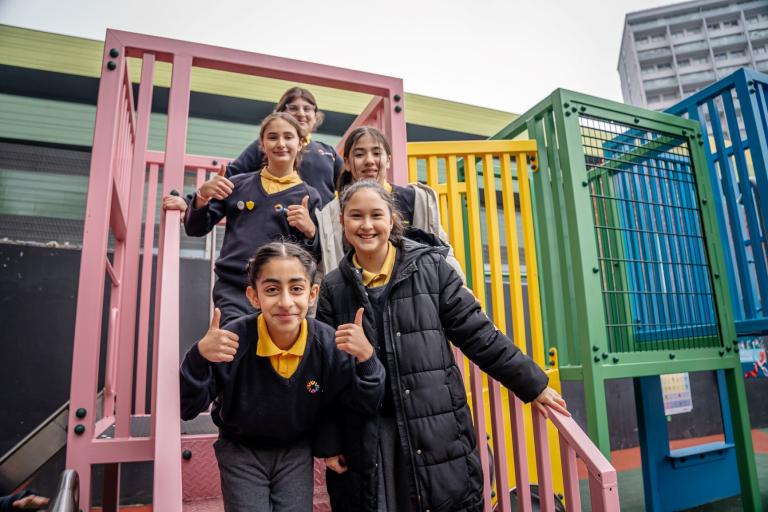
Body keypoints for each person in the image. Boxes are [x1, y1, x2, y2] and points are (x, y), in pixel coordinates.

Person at [315, 180, 567, 512]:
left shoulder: (432, 268)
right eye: (355, 216)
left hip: (432, 426)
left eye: (376, 214)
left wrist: (532, 383)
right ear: (342, 222)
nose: (366, 225)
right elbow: (326, 371)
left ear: (392, 220)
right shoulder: (334, 287)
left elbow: (478, 333)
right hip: (368, 435)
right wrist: (330, 442)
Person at [180, 242, 385, 512]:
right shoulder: (233, 341)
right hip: (241, 449)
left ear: (312, 294)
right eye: (272, 289)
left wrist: (367, 358)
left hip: (296, 450)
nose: (286, 301)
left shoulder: (326, 343)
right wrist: (199, 357)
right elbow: (188, 407)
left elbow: (355, 402)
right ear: (253, 296)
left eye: (296, 289)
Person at [170, 112, 322, 326]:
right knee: (236, 341)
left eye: (288, 137)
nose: (281, 143)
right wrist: (202, 197)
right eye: (272, 137)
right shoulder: (236, 185)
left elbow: (314, 255)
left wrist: (310, 231)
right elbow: (195, 228)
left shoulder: (310, 196)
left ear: (300, 143)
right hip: (234, 287)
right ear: (262, 144)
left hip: (280, 291)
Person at [315, 126, 464, 280]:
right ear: (346, 162)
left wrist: (457, 284)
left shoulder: (414, 199)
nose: (369, 161)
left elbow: (441, 246)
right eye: (359, 154)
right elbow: (326, 263)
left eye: (377, 153)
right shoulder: (332, 212)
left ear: (388, 160)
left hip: (416, 293)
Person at [222, 86, 342, 206]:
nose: (301, 113)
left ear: (315, 117)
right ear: (281, 114)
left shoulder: (329, 152)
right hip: (279, 219)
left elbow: (349, 186)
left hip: (323, 222)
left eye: (307, 109)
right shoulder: (266, 146)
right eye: (293, 108)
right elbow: (231, 177)